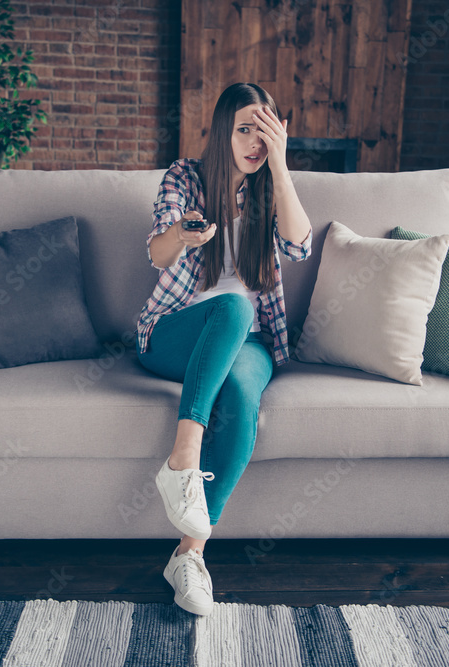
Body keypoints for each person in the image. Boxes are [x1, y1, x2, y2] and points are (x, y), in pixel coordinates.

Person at [136, 83, 313, 616]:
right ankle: (183, 455)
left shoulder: (271, 188)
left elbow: (300, 246)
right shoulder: (185, 177)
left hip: (249, 343)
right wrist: (184, 237)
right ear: (222, 131)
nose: (254, 142)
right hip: (173, 332)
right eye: (244, 130)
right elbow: (157, 252)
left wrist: (281, 168)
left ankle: (189, 556)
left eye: (264, 131)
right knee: (233, 306)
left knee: (240, 389)